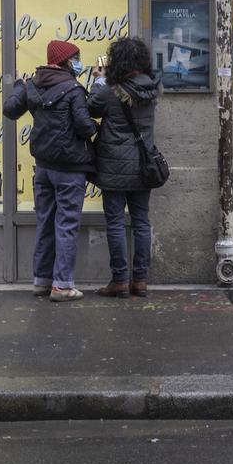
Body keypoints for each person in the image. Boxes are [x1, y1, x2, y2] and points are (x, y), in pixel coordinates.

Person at [4, 39, 97, 303]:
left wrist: (19, 86)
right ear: (67, 61)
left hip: (43, 168)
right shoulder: (73, 89)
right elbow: (85, 126)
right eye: (76, 58)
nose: (79, 63)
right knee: (66, 223)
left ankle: (42, 281)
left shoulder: (33, 84)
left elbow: (10, 110)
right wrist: (96, 127)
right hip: (69, 169)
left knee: (45, 222)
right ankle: (63, 285)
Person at [87, 37, 161, 298]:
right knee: (141, 221)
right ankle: (140, 280)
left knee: (116, 223)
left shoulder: (109, 89)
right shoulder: (151, 88)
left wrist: (99, 77)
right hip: (143, 166)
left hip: (113, 166)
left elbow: (91, 108)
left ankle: (119, 280)